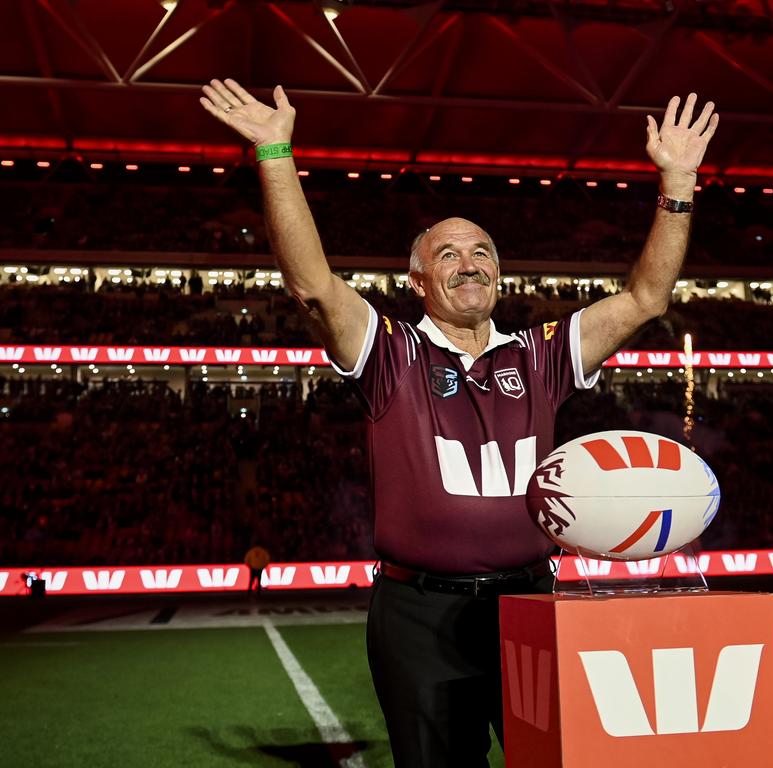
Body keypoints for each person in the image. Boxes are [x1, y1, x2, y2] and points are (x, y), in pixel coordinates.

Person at [201, 78, 718, 767]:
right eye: (447, 255)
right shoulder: (390, 351)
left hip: (532, 601)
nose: (469, 264)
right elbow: (314, 288)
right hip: (419, 615)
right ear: (417, 282)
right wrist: (274, 152)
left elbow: (647, 297)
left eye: (481, 254)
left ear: (500, 275)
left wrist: (678, 183)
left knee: (557, 758)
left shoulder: (541, 354)